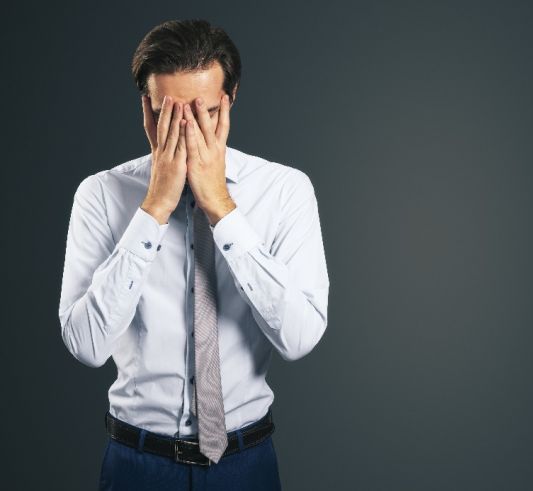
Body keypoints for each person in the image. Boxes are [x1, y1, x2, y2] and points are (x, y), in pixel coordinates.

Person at [57, 19, 330, 490]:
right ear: (147, 107)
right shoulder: (101, 195)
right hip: (135, 464)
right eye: (169, 113)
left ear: (231, 99)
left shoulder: (285, 190)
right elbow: (85, 345)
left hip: (246, 464)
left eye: (202, 112)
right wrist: (154, 208)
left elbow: (300, 337)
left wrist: (221, 208)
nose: (186, 131)